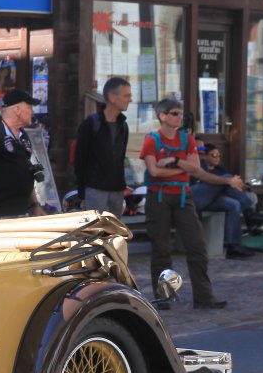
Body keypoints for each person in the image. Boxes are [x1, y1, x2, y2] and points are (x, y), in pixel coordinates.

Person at [140, 99, 224, 310]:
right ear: (163, 116)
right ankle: (164, 297)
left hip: (183, 197)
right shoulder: (152, 140)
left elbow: (195, 168)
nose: (180, 117)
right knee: (161, 249)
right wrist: (183, 169)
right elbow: (154, 171)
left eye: (181, 114)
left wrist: (175, 161)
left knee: (197, 246)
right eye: (175, 113)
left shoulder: (187, 139)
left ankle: (204, 296)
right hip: (159, 197)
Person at [0, 88, 44, 219]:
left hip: (20, 212)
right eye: (29, 107)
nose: (32, 112)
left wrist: (35, 205)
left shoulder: (23, 136)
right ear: (17, 109)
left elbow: (26, 170)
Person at [190, 144, 263, 259]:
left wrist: (240, 186)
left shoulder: (220, 169)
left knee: (234, 204)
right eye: (214, 155)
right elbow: (207, 179)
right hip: (194, 198)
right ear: (204, 156)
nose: (217, 158)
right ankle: (249, 214)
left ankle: (233, 247)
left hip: (213, 199)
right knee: (227, 178)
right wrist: (229, 181)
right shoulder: (199, 164)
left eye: (219, 155)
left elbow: (229, 185)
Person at [73, 76, 131, 215]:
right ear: (112, 97)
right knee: (98, 228)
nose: (130, 100)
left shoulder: (123, 126)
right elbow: (80, 159)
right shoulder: (91, 124)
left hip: (117, 190)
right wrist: (82, 193)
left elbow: (120, 158)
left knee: (114, 228)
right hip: (96, 189)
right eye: (126, 96)